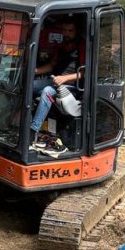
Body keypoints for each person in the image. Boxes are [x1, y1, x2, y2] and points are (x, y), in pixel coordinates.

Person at [29, 16, 84, 155]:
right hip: (55, 80)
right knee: (29, 85)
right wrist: (33, 71)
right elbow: (52, 65)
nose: (66, 34)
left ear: (76, 31)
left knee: (47, 91)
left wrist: (64, 79)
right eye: (64, 30)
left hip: (72, 86)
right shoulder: (61, 46)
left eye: (70, 31)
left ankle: (32, 132)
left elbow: (84, 73)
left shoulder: (82, 47)